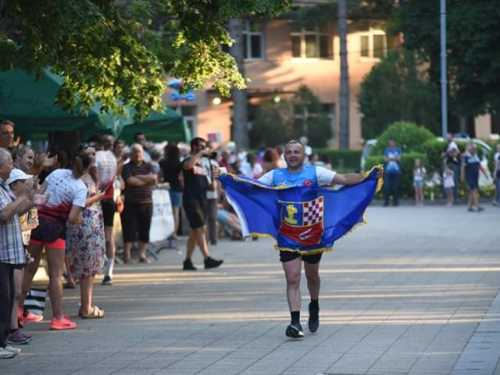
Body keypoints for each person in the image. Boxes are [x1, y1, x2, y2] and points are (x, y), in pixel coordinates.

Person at [258, 140, 382, 339]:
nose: (292, 155)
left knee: (312, 276)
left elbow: (343, 178)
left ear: (303, 155)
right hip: (288, 235)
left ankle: (314, 304)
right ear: (284, 156)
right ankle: (295, 322)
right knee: (292, 278)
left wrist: (369, 176)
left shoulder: (315, 172)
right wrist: (226, 178)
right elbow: (251, 185)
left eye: (296, 152)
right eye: (289, 152)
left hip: (312, 235)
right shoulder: (274, 176)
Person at [19, 152, 89, 331]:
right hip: (56, 231)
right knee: (55, 275)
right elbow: (73, 217)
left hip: (38, 224)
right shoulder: (80, 188)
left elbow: (38, 195)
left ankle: (18, 310)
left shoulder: (56, 173)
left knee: (28, 270)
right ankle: (58, 317)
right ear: (87, 170)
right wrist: (80, 217)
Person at [68, 144, 106, 319]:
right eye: (88, 154)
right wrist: (98, 196)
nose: (92, 157)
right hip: (84, 225)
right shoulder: (79, 176)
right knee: (87, 268)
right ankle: (86, 308)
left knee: (90, 268)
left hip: (92, 224)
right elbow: (80, 201)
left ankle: (87, 304)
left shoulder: (89, 175)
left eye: (94, 154)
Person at [181, 137, 223, 270]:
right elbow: (188, 166)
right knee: (200, 228)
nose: (203, 148)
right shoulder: (188, 160)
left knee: (195, 231)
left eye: (204, 146)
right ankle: (207, 258)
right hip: (191, 199)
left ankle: (187, 261)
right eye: (200, 146)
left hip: (203, 199)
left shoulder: (204, 163)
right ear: (193, 147)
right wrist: (200, 153)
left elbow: (205, 179)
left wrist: (210, 185)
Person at [120, 143, 157, 263]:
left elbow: (154, 179)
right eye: (135, 152)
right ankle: (127, 255)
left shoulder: (148, 166)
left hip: (147, 202)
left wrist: (139, 176)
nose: (137, 154)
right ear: (131, 154)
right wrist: (146, 179)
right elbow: (130, 181)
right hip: (131, 203)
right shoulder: (127, 167)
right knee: (129, 229)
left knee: (144, 229)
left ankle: (142, 254)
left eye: (139, 151)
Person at [92, 135, 118, 286]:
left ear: (96, 143)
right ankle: (109, 273)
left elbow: (95, 180)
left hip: (98, 200)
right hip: (110, 199)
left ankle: (95, 269)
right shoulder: (112, 157)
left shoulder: (96, 157)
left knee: (96, 236)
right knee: (109, 237)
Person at [158, 144, 183, 240]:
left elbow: (160, 175)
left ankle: (166, 232)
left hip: (166, 187)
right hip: (177, 187)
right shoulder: (179, 163)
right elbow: (181, 177)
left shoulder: (164, 162)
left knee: (165, 211)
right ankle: (174, 232)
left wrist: (158, 182)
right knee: (175, 212)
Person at [461, 143, 488, 212]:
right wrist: (462, 177)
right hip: (470, 176)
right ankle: (478, 206)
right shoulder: (466, 157)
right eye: (473, 149)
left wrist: (485, 174)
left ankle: (469, 207)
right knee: (474, 190)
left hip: (476, 176)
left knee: (472, 192)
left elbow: (479, 166)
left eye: (475, 149)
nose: (475, 150)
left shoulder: (476, 157)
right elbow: (463, 168)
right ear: (470, 150)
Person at [383, 138, 402, 207]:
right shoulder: (387, 150)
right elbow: (385, 159)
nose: (391, 143)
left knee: (395, 186)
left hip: (396, 171)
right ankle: (386, 202)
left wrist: (390, 158)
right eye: (390, 142)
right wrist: (395, 158)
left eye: (392, 142)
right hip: (388, 171)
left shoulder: (398, 150)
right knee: (387, 186)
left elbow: (399, 159)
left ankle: (395, 202)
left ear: (395, 143)